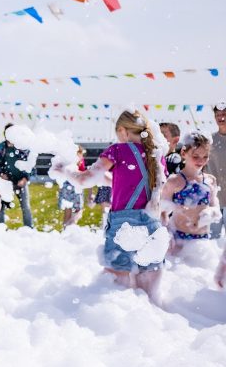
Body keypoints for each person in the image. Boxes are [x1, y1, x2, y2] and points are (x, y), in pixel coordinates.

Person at [53, 110, 167, 303]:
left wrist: (64, 170)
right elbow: (126, 181)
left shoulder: (118, 150)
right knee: (150, 300)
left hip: (124, 225)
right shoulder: (156, 154)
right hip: (153, 226)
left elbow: (84, 180)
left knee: (113, 292)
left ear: (122, 130)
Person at [161, 131, 219, 258]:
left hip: (203, 245)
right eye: (196, 156)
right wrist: (166, 234)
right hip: (178, 243)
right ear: (183, 153)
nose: (201, 160)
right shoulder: (174, 181)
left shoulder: (210, 181)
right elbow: (161, 212)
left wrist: (210, 213)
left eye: (205, 156)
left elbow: (215, 209)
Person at [0, 124, 34, 228]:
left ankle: (29, 228)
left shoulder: (23, 148)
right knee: (1, 206)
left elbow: (30, 164)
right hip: (5, 181)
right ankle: (0, 227)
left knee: (25, 206)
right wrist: (1, 174)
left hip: (21, 180)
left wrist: (25, 178)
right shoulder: (1, 147)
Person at [202, 103, 226, 238]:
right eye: (218, 115)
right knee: (212, 242)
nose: (220, 118)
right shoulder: (209, 141)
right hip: (213, 200)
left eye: (224, 114)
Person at [58, 147, 87, 228]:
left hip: (66, 186)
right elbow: (82, 175)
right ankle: (71, 228)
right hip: (75, 187)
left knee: (67, 210)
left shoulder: (67, 161)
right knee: (78, 211)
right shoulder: (79, 161)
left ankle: (65, 231)